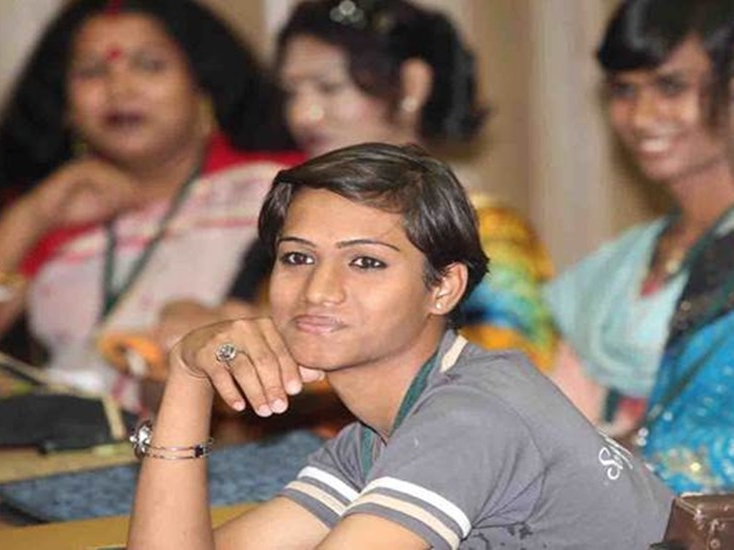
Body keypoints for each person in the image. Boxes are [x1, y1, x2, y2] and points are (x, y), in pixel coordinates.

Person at [127, 143, 672, 550]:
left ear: (443, 288)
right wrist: (188, 376)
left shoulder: (469, 418)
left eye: (366, 262)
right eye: (298, 257)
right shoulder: (377, 436)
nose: (318, 290)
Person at [0, 0, 300, 412]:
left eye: (149, 65)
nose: (119, 88)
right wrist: (34, 214)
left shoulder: (277, 189)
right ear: (64, 106)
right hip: (68, 440)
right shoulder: (59, 212)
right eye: (91, 72)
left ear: (203, 86)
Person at [153, 0, 556, 372]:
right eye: (292, 93)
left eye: (329, 88)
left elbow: (508, 373)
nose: (303, 114)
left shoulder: (483, 230)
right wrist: (204, 331)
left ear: (412, 86)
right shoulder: (287, 227)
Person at [544, 0, 734, 493]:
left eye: (671, 86)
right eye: (625, 90)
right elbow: (558, 429)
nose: (643, 117)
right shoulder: (616, 267)